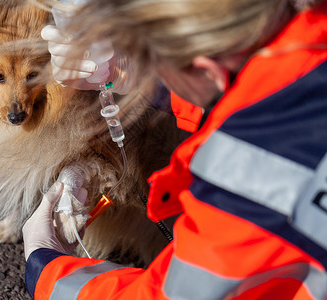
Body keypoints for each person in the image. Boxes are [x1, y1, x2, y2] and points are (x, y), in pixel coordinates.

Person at [23, 0, 327, 298]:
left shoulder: (248, 191)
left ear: (206, 70)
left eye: (158, 66)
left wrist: (45, 265)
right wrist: (130, 74)